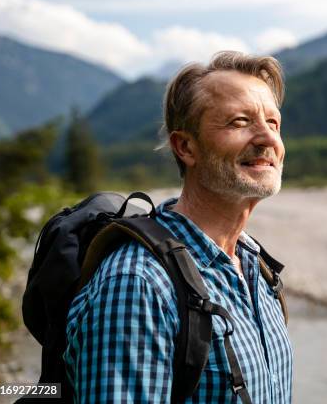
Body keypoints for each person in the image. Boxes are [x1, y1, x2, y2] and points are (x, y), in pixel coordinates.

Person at [62, 51, 293, 403]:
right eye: (240, 121)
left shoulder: (257, 269)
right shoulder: (138, 284)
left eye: (273, 123)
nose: (267, 138)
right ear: (185, 146)